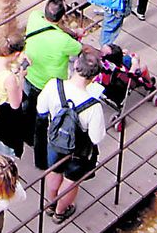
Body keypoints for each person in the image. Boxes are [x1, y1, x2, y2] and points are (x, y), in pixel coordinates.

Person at [36, 50, 107, 222]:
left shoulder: (54, 85)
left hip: (55, 140)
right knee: (71, 180)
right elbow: (96, 138)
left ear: (75, 65)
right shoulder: (93, 106)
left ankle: (50, 204)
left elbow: (41, 110)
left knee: (54, 171)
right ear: (95, 78)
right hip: (78, 150)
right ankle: (60, 212)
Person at [22, 0, 82, 170]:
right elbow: (79, 49)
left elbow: (52, 26)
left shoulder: (34, 18)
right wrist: (73, 34)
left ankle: (27, 137)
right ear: (63, 17)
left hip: (30, 77)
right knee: (43, 122)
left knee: (29, 110)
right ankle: (41, 161)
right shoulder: (64, 41)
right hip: (49, 87)